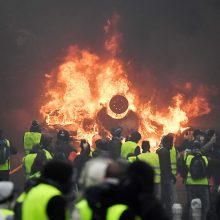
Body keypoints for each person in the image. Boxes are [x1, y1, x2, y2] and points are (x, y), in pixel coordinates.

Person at [183, 141, 210, 220]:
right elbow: (207, 167)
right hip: (203, 184)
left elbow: (184, 165)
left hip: (191, 184)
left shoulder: (188, 157)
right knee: (205, 204)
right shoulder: (204, 158)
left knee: (192, 204)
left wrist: (188, 152)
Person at [157, 134, 176, 219]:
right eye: (171, 142)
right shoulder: (165, 151)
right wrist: (170, 177)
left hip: (164, 178)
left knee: (164, 198)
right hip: (165, 179)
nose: (172, 144)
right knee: (166, 198)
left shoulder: (161, 150)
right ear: (168, 142)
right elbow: (165, 167)